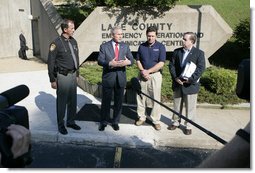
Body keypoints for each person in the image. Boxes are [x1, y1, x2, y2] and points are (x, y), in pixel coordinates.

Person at [47, 19, 81, 135]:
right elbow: (50, 62)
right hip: (63, 76)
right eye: (72, 28)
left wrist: (77, 74)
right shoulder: (55, 43)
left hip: (73, 75)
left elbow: (77, 58)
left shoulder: (74, 41)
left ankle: (71, 121)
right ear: (65, 29)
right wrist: (52, 79)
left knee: (73, 100)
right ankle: (61, 125)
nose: (74, 30)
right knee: (62, 102)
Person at [97, 26, 134, 131]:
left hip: (120, 78)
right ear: (112, 35)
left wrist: (129, 62)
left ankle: (115, 121)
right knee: (106, 101)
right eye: (118, 34)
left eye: (121, 34)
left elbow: (132, 59)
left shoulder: (125, 46)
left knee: (118, 102)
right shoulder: (104, 46)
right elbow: (100, 60)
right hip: (109, 77)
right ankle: (104, 121)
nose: (120, 36)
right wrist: (109, 63)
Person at [168, 32, 205, 135]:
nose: (182, 41)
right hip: (178, 83)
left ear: (191, 41)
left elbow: (201, 69)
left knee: (190, 108)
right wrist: (175, 78)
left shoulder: (199, 53)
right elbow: (171, 66)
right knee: (176, 105)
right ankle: (175, 122)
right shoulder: (177, 52)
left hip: (191, 85)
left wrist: (190, 80)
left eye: (185, 39)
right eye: (183, 39)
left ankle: (188, 126)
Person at [134, 26, 166, 131]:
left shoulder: (161, 47)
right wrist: (143, 71)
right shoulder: (142, 46)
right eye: (148, 36)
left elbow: (161, 63)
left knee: (155, 98)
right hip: (142, 74)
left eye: (152, 36)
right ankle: (141, 117)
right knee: (141, 96)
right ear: (146, 35)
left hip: (155, 75)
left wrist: (149, 71)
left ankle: (155, 120)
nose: (150, 38)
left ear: (156, 35)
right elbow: (137, 60)